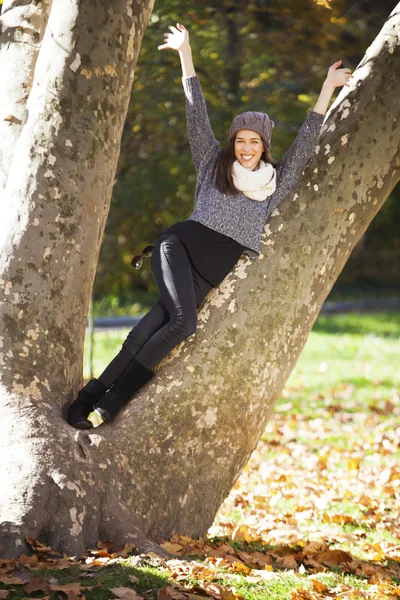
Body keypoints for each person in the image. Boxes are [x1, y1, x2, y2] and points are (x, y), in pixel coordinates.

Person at [67, 23, 353, 429]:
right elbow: (195, 113)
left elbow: (308, 138)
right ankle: (109, 406)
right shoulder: (212, 163)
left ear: (265, 146)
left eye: (255, 142)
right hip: (178, 249)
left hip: (207, 276)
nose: (247, 148)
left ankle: (86, 403)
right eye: (241, 140)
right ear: (233, 142)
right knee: (182, 324)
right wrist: (186, 54)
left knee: (150, 329)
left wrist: (329, 86)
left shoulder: (274, 183)